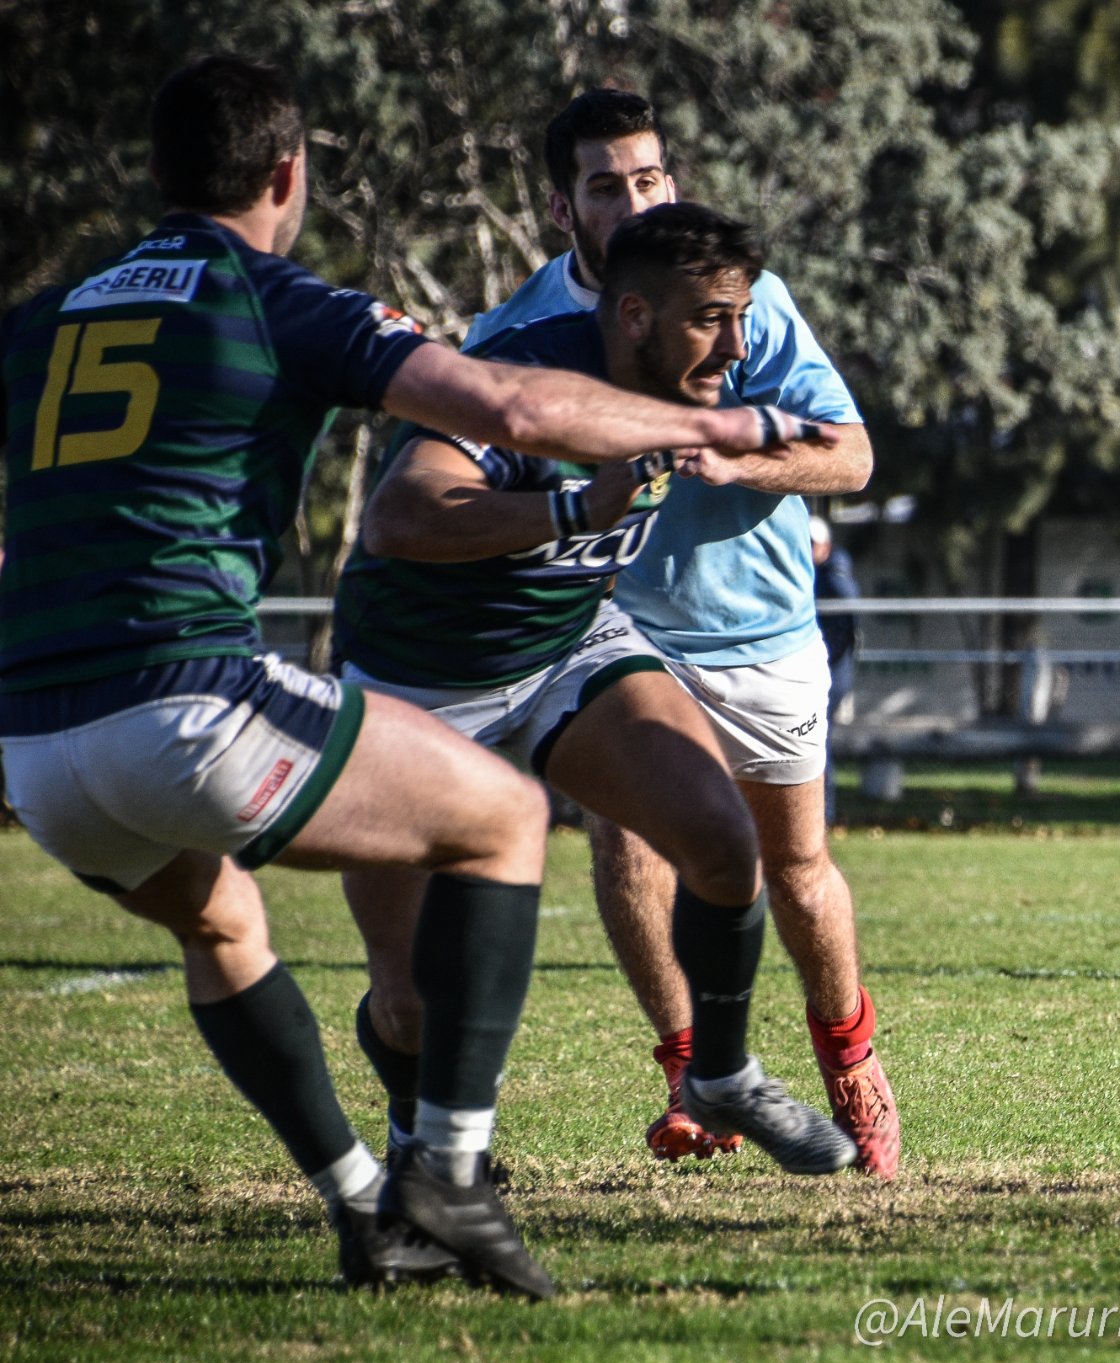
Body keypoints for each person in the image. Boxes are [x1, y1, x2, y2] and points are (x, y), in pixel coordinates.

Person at [0, 55, 815, 1298]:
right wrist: (716, 433)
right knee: (487, 848)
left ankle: (373, 1208)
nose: (732, 346)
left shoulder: (49, 314)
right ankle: (444, 1175)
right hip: (251, 686)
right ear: (290, 172)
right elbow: (468, 438)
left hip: (42, 741)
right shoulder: (288, 300)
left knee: (223, 926)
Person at [335, 203, 854, 1178]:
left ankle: (718, 1070)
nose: (736, 346)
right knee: (408, 1002)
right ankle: (422, 1150)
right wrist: (574, 506)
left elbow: (843, 453)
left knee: (719, 835)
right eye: (711, 319)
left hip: (567, 645)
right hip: (420, 677)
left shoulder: (688, 386)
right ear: (631, 318)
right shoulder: (530, 375)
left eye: (741, 317)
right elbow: (399, 516)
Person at [462, 88, 900, 1179]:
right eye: (605, 186)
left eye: (648, 178)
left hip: (761, 630)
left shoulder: (741, 302)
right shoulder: (517, 339)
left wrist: (734, 461)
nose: (632, 201)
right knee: (630, 842)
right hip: (617, 630)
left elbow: (849, 458)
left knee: (793, 868)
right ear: (562, 209)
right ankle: (691, 1069)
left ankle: (848, 1055)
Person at [811, 516, 861, 826]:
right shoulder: (821, 574)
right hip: (827, 672)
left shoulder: (834, 578)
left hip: (829, 674)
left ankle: (822, 815)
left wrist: (824, 663)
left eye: (812, 543)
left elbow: (846, 627)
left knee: (817, 745)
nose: (807, 549)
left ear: (826, 546)